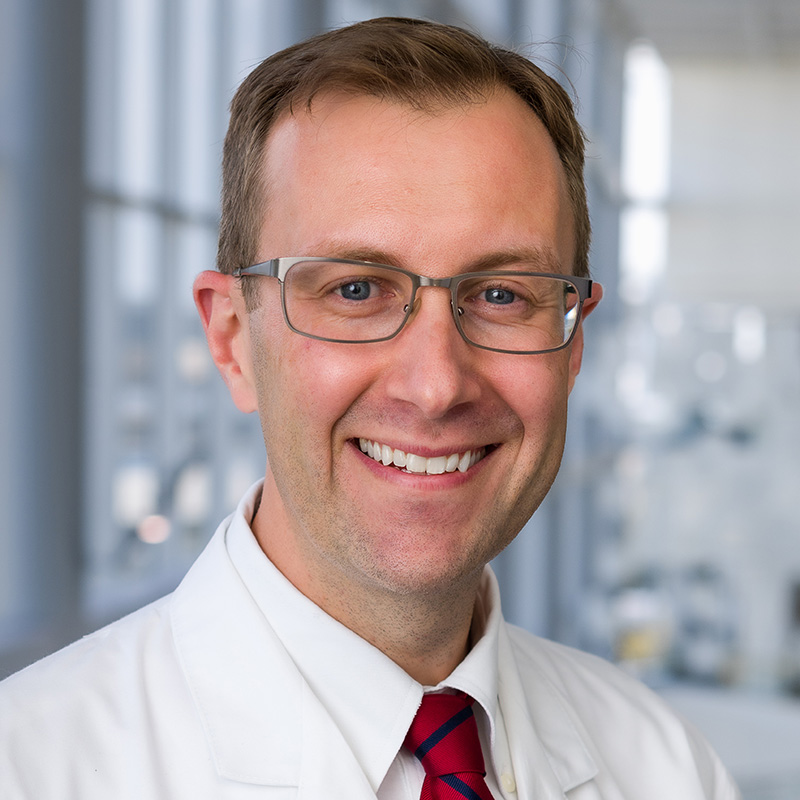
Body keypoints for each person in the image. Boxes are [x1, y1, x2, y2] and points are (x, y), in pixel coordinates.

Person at [0, 16, 739, 800]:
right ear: (230, 341)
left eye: (500, 295)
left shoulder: (667, 767)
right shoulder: (33, 765)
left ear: (573, 348)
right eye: (355, 290)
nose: (435, 386)